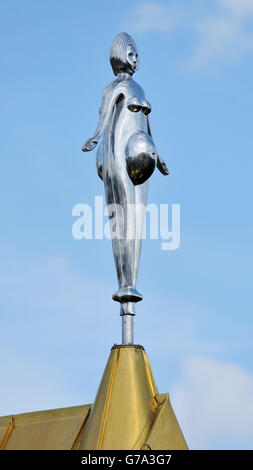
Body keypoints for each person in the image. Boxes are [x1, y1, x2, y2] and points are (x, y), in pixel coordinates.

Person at [82, 32, 169, 317]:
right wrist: (95, 139)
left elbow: (148, 124)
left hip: (142, 157)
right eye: (130, 54)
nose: (135, 60)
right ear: (119, 57)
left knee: (137, 220)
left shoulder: (141, 89)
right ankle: (124, 284)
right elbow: (105, 117)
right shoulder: (114, 88)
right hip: (118, 150)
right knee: (121, 217)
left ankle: (132, 283)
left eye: (137, 56)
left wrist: (160, 159)